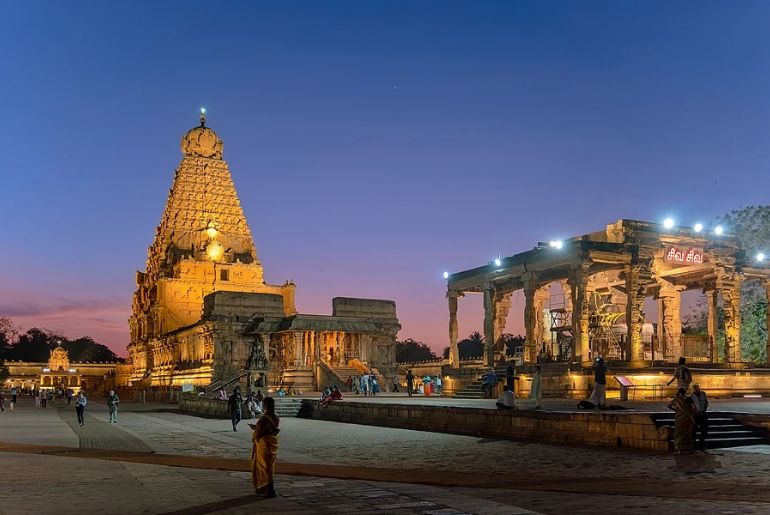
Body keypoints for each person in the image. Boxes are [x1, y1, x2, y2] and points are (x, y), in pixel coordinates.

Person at [249, 396, 280, 499]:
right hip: (272, 442)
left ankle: (267, 489)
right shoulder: (276, 416)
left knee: (263, 466)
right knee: (269, 466)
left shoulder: (264, 417)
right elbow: (272, 428)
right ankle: (268, 489)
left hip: (264, 443)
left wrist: (255, 429)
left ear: (265, 405)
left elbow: (259, 431)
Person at [668, 388, 696, 453]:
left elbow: (669, 406)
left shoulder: (677, 400)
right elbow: (693, 408)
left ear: (679, 393)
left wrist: (676, 410)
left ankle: (679, 448)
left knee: (678, 433)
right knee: (687, 433)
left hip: (679, 418)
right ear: (684, 392)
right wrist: (690, 414)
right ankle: (688, 448)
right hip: (687, 418)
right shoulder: (689, 399)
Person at [690, 384, 709, 450]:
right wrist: (696, 412)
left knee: (704, 430)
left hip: (703, 414)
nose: (696, 390)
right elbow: (691, 406)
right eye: (695, 389)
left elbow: (706, 402)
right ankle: (694, 445)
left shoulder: (703, 394)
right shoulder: (691, 396)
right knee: (694, 430)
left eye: (697, 388)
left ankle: (702, 445)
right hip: (696, 415)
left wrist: (704, 410)